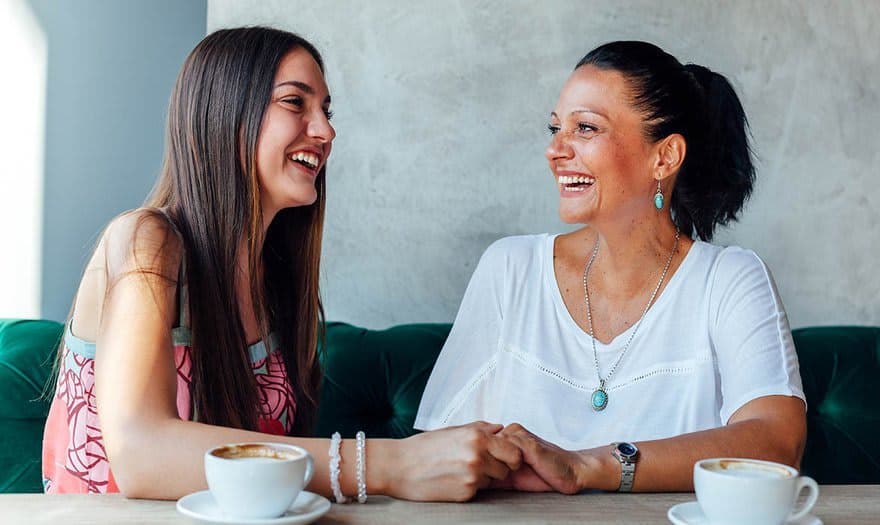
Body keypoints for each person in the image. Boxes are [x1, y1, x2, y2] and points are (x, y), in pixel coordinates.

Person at [41, 27, 522, 502]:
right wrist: (390, 464)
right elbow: (140, 456)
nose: (326, 131)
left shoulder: (275, 280)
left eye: (326, 111)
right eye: (296, 103)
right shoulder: (148, 240)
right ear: (226, 114)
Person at [415, 41, 807, 493]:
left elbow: (778, 444)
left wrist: (586, 466)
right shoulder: (510, 270)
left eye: (584, 128)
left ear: (664, 157)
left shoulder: (731, 280)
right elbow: (434, 455)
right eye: (554, 127)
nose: (554, 150)